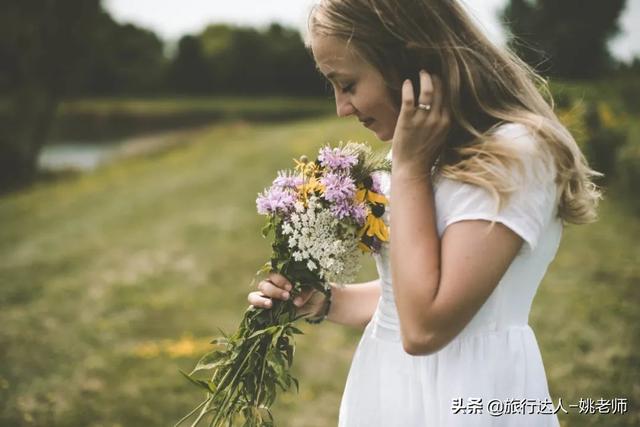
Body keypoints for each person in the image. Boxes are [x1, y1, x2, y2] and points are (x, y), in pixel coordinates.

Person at [247, 0, 601, 425]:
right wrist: (325, 302)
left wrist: (409, 169)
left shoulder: (512, 156)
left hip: (470, 393)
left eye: (348, 84)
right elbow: (407, 293)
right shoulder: (423, 152)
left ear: (406, 63)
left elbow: (425, 326)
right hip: (388, 386)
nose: (342, 107)